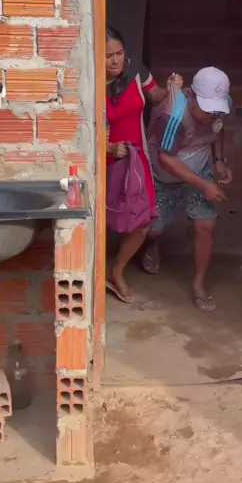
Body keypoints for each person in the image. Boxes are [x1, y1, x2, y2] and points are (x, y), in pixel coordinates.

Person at [143, 67, 232, 312]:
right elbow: (165, 158)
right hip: (164, 175)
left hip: (199, 166)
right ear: (192, 95)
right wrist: (204, 185)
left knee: (206, 225)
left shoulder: (220, 107)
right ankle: (152, 244)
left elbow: (218, 128)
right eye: (207, 110)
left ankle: (198, 283)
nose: (212, 116)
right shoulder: (174, 115)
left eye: (216, 111)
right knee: (153, 230)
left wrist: (219, 161)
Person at [105, 26, 182, 303]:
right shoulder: (89, 83)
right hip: (103, 164)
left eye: (119, 53)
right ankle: (92, 272)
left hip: (136, 163)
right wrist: (107, 148)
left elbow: (156, 96)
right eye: (108, 56)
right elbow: (81, 128)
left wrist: (171, 87)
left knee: (141, 224)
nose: (116, 60)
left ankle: (117, 271)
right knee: (101, 222)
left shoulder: (135, 71)